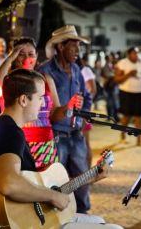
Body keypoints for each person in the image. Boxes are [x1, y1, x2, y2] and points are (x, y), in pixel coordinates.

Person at [0, 69, 122, 229]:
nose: (43, 103)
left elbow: (33, 185)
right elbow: (8, 183)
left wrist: (91, 176)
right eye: (40, 97)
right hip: (24, 223)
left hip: (30, 217)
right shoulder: (9, 132)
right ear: (24, 100)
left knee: (99, 220)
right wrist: (52, 196)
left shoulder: (6, 127)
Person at [0, 37, 74, 170]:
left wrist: (68, 107)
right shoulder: (9, 80)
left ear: (36, 55)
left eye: (31, 54)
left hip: (45, 144)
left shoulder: (45, 79)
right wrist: (10, 58)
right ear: (13, 55)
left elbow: (55, 113)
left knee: (47, 184)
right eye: (20, 54)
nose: (26, 58)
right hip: (18, 142)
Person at [40, 25, 93, 214]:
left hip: (76, 134)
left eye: (79, 47)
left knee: (82, 177)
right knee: (57, 180)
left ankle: (83, 214)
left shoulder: (77, 69)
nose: (78, 52)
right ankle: (59, 217)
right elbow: (43, 109)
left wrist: (84, 117)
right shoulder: (45, 71)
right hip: (57, 135)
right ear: (61, 47)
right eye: (74, 47)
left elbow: (87, 96)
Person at [114, 47, 141, 146]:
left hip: (139, 93)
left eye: (137, 53)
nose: (136, 55)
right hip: (126, 93)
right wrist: (129, 74)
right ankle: (123, 135)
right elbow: (117, 79)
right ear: (129, 54)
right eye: (134, 53)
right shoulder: (122, 63)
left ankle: (139, 139)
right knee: (126, 117)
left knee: (138, 117)